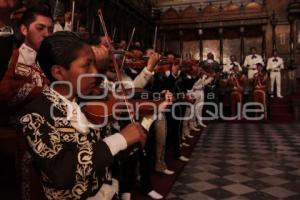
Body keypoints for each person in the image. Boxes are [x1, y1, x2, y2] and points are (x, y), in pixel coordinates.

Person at [17, 31, 148, 200]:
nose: (95, 72)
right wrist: (120, 139)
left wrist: (134, 137)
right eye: (87, 65)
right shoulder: (35, 114)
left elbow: (106, 156)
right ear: (58, 72)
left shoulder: (90, 103)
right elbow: (61, 171)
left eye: (95, 64)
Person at [0, 4, 53, 110]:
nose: (47, 34)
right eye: (40, 28)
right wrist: (45, 91)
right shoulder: (12, 56)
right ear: (24, 30)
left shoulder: (52, 59)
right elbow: (3, 91)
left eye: (50, 29)